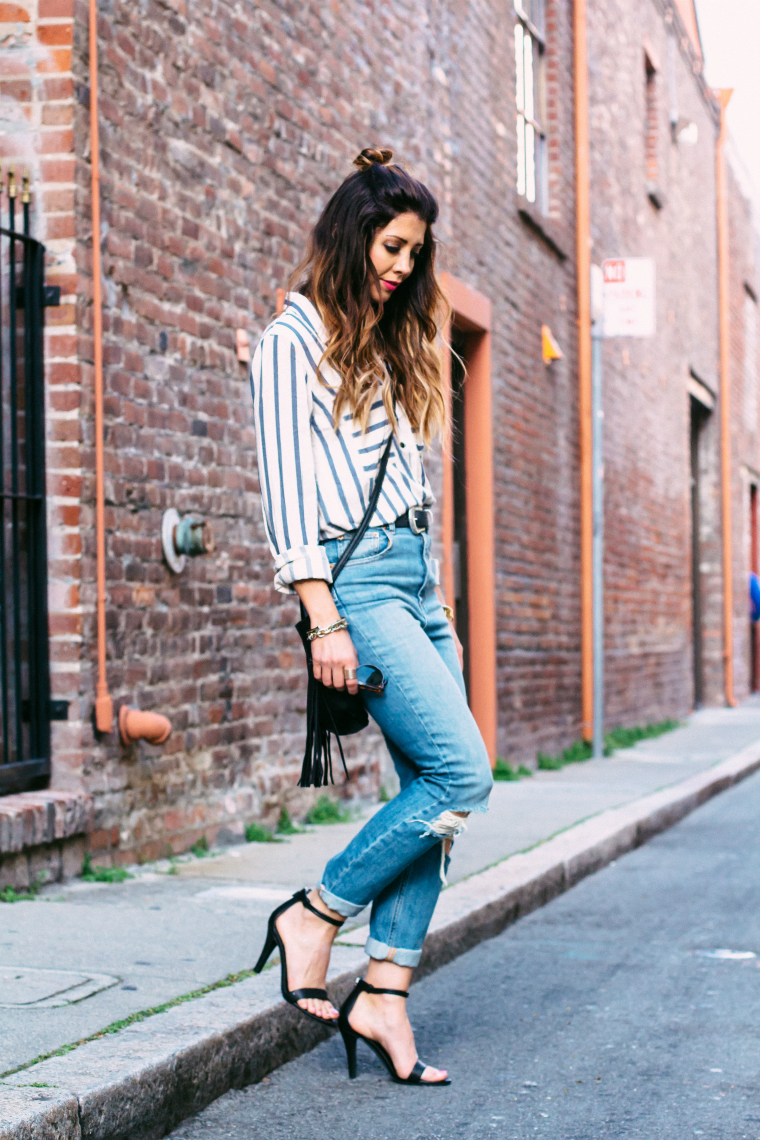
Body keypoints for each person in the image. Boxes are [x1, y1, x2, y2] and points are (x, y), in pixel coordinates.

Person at [250, 148, 493, 1086]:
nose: (400, 267)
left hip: (414, 585)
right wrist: (322, 620)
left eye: (413, 254)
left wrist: (441, 607)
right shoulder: (292, 339)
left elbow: (409, 483)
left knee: (437, 800)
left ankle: (386, 993)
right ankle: (314, 912)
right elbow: (285, 492)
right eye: (390, 246)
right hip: (354, 587)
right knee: (461, 775)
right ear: (353, 236)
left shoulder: (386, 342)